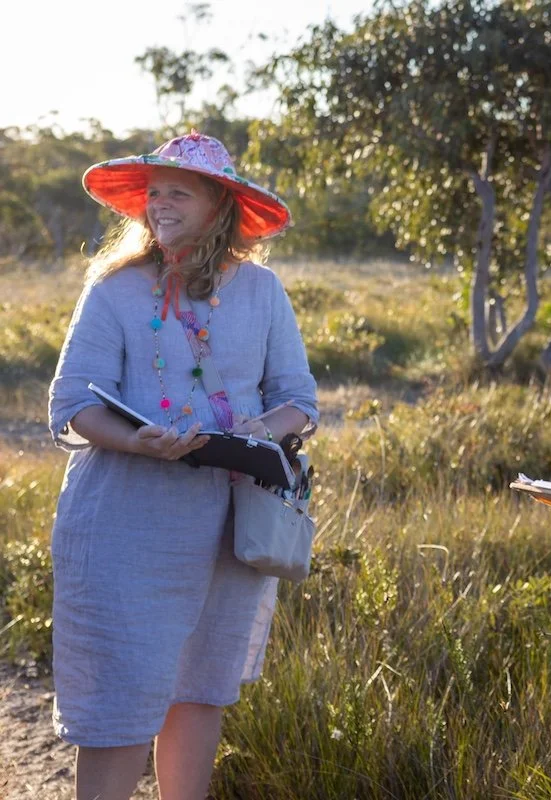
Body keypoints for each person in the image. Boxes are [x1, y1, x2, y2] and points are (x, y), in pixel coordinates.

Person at [47, 132, 319, 800]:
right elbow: (72, 403)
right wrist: (137, 440)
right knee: (120, 700)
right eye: (154, 192)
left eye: (178, 192)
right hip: (124, 525)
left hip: (228, 532)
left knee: (199, 690)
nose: (159, 204)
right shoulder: (115, 290)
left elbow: (301, 401)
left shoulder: (261, 290)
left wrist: (260, 429)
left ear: (218, 203)